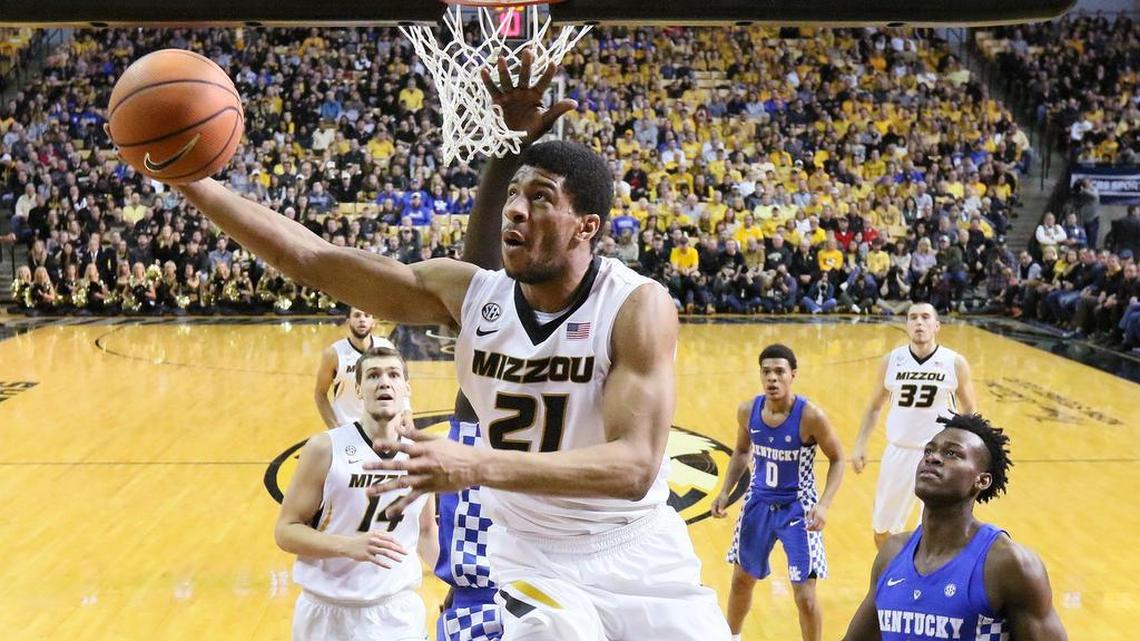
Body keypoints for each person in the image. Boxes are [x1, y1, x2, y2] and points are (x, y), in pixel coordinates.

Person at [177, 52, 729, 641]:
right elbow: (307, 257)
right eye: (514, 193)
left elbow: (635, 467)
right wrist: (190, 180)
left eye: (541, 197)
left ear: (585, 227)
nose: (516, 208)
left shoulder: (635, 306)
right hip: (525, 551)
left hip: (635, 547)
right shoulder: (468, 294)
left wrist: (473, 463)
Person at [840, 413, 1068, 641]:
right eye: (929, 451)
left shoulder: (1008, 564)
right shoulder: (892, 553)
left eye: (952, 453)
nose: (933, 458)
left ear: (982, 480)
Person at [275, 346, 439, 641]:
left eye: (393, 375)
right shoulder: (325, 448)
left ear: (406, 388)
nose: (384, 382)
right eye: (373, 375)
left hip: (397, 613)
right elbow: (286, 531)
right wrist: (346, 546)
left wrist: (458, 582)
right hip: (328, 613)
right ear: (359, 390)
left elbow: (426, 531)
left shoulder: (422, 456)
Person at [711, 344, 845, 641]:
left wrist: (823, 505)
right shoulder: (748, 411)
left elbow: (838, 459)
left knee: (805, 596)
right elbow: (742, 451)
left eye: (779, 372)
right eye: (766, 371)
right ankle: (731, 637)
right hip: (757, 504)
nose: (772, 378)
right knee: (741, 581)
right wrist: (724, 492)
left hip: (799, 508)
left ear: (793, 375)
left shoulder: (811, 416)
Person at [851, 303, 976, 548]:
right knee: (882, 529)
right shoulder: (892, 361)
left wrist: (969, 454)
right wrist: (859, 444)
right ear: (907, 326)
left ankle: (927, 581)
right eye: (913, 318)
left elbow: (970, 411)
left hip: (940, 456)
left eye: (925, 317)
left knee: (935, 528)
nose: (919, 322)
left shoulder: (954, 362)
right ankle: (893, 576)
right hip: (899, 450)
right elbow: (875, 407)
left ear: (936, 326)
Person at [314, 307, 396, 427]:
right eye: (357, 316)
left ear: (374, 322)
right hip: (347, 427)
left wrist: (406, 418)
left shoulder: (387, 348)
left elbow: (401, 387)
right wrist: (335, 429)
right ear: (348, 322)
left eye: (367, 316)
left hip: (382, 426)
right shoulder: (334, 354)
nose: (362, 320)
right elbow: (320, 394)